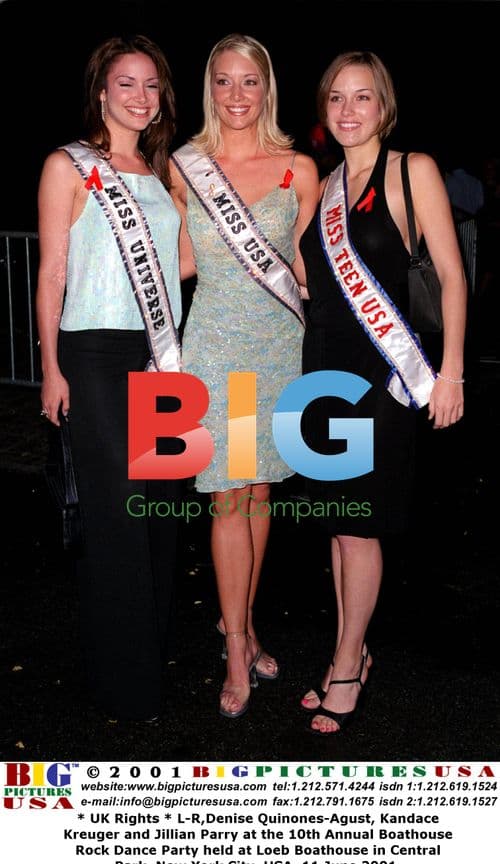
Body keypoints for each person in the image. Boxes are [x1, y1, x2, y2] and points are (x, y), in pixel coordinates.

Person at [299, 51, 466, 734]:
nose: (346, 110)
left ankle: (344, 664)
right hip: (321, 373)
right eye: (335, 97)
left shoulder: (410, 169)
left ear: (383, 105)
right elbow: (314, 284)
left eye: (361, 98)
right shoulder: (326, 183)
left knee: (360, 527)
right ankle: (354, 648)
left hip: (382, 379)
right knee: (338, 525)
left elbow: (452, 275)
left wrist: (451, 371)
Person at [170, 33, 319, 718]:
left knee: (259, 497)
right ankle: (234, 644)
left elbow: (304, 265)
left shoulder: (298, 168)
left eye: (249, 81)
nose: (236, 95)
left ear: (267, 88)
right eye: (224, 81)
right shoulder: (185, 167)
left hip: (276, 348)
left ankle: (247, 621)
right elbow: (176, 265)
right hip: (220, 350)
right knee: (230, 499)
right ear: (210, 89)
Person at [36, 35, 182, 722]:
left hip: (160, 352)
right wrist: (50, 367)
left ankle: (144, 657)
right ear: (101, 91)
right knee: (118, 513)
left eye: (151, 85)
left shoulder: (163, 172)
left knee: (157, 514)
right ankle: (127, 688)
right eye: (126, 84)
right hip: (92, 353)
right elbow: (53, 272)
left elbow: (182, 266)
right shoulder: (69, 165)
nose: (140, 97)